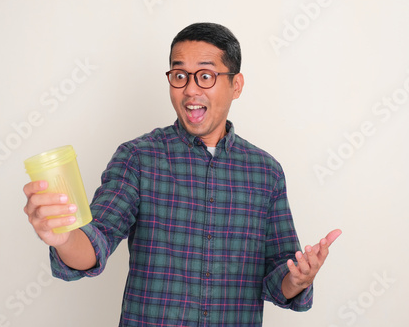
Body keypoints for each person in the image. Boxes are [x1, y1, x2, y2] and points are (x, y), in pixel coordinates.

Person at [23, 22, 341, 326]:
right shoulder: (138, 158)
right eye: (179, 75)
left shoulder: (265, 173)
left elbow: (278, 279)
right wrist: (62, 238)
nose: (189, 90)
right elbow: (96, 243)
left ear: (236, 85)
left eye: (205, 76)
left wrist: (298, 278)